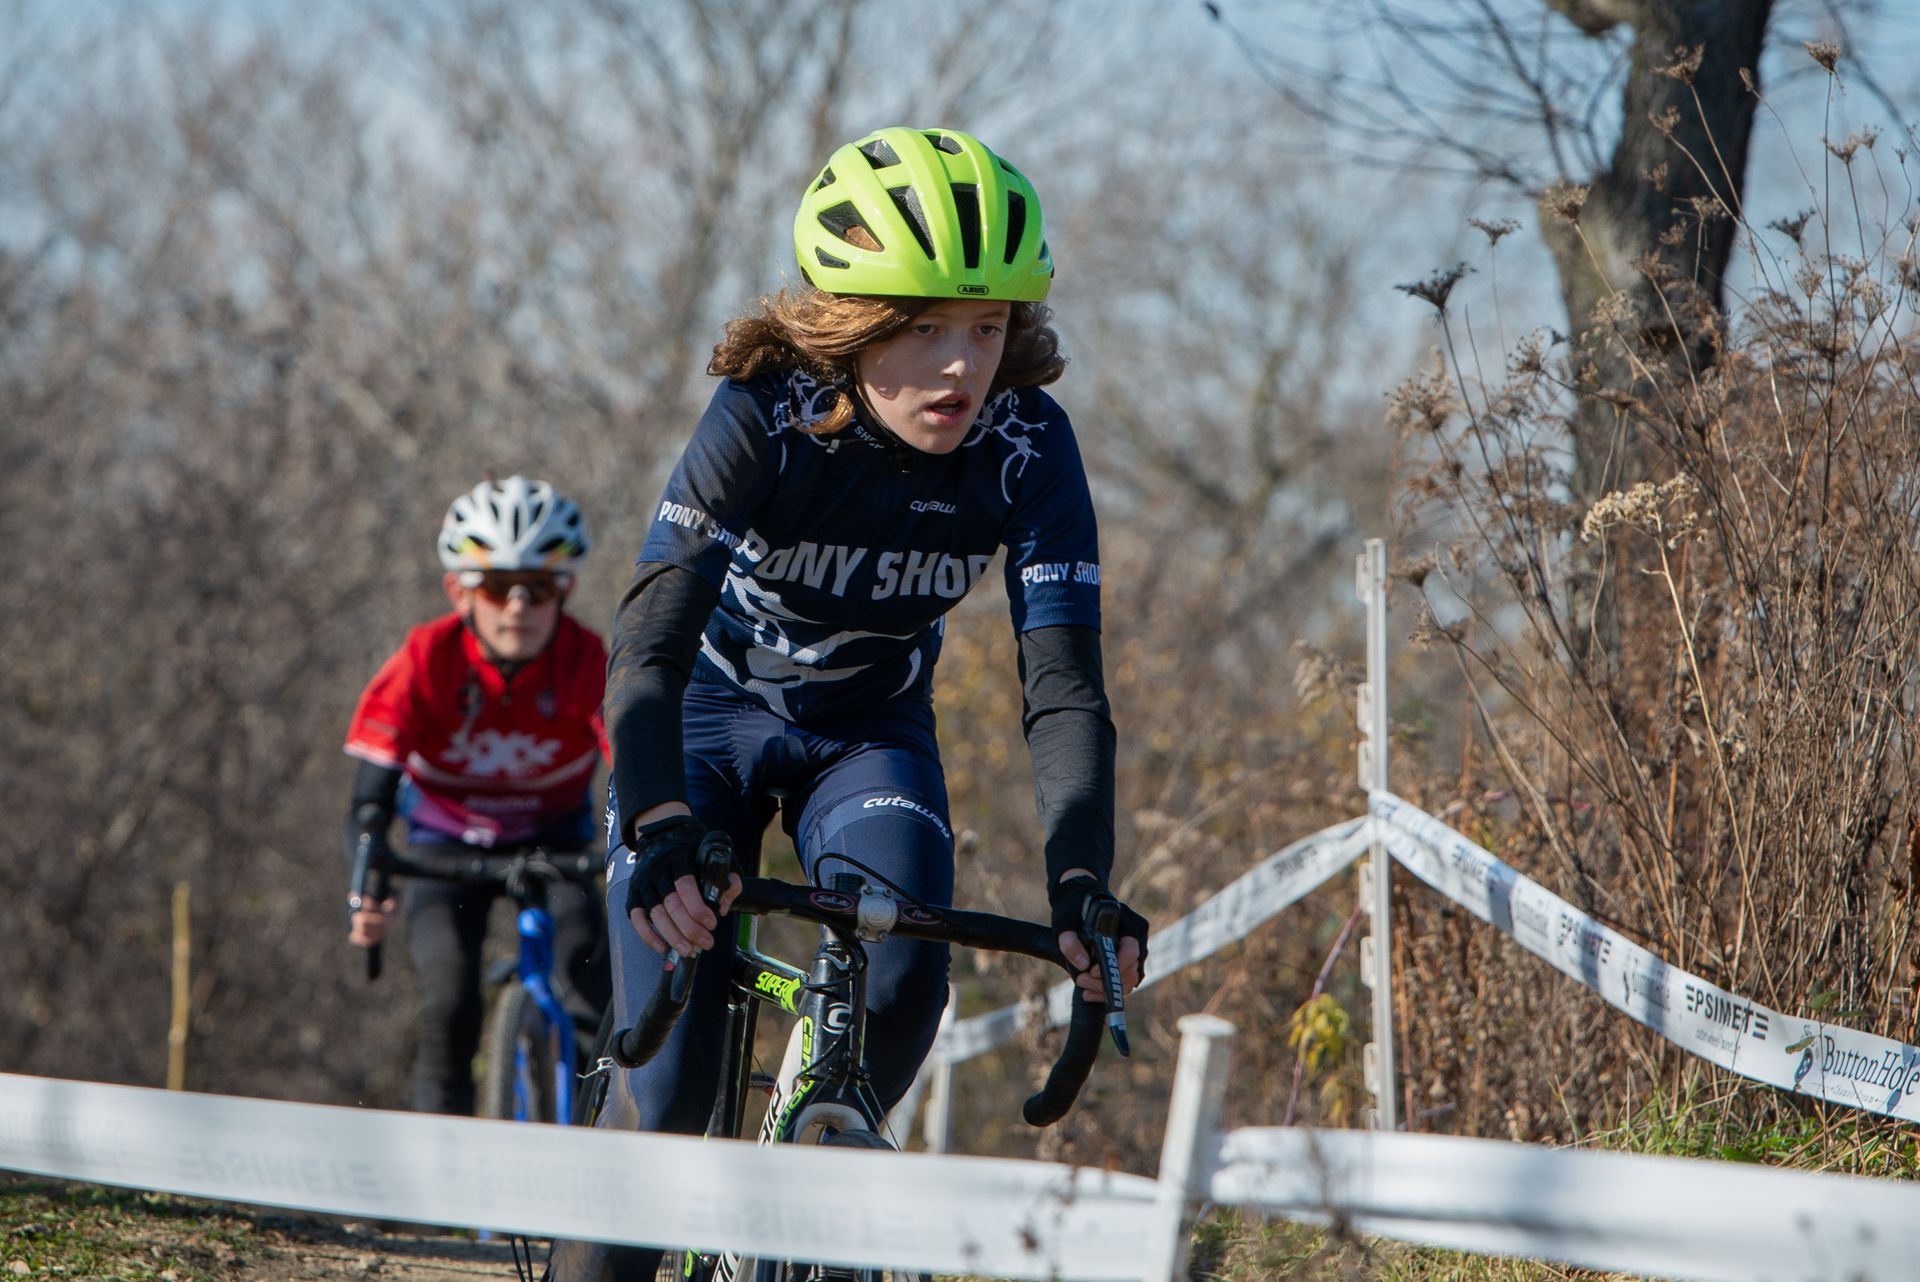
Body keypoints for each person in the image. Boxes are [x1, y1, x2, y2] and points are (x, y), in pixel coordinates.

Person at [550, 126, 1148, 1282]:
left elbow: (1065, 686)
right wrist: (663, 825)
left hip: (869, 740)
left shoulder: (1028, 445)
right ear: (853, 321)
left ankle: (807, 1216)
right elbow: (649, 645)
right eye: (923, 325)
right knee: (666, 1089)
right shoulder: (766, 413)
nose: (961, 367)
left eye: (986, 328)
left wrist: (1080, 881)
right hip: (706, 726)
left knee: (909, 973)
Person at [343, 475, 612, 1116]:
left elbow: (635, 764)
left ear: (564, 591)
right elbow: (371, 800)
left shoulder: (589, 659)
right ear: (460, 591)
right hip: (444, 846)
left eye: (538, 589)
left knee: (587, 997)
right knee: (448, 1003)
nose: (517, 607)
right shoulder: (424, 658)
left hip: (557, 842)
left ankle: (585, 1168)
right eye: (496, 587)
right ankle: (442, 1195)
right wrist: (367, 888)